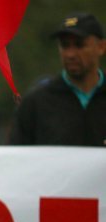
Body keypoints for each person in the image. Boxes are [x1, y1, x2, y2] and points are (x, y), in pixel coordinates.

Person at [9, 12, 106, 146]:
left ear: (101, 47)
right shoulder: (36, 103)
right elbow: (16, 158)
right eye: (65, 45)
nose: (70, 54)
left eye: (79, 45)